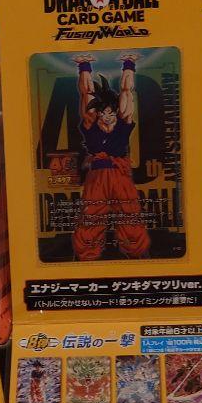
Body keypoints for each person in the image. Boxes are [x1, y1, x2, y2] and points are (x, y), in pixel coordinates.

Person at [72, 54, 151, 261]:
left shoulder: (123, 123)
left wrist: (129, 64)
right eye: (103, 113)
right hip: (97, 178)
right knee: (91, 216)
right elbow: (86, 93)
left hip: (119, 175)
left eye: (111, 113)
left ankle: (138, 254)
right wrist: (84, 67)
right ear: (98, 113)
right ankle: (86, 257)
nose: (107, 117)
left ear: (116, 113)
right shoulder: (91, 123)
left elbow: (126, 91)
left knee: (129, 213)